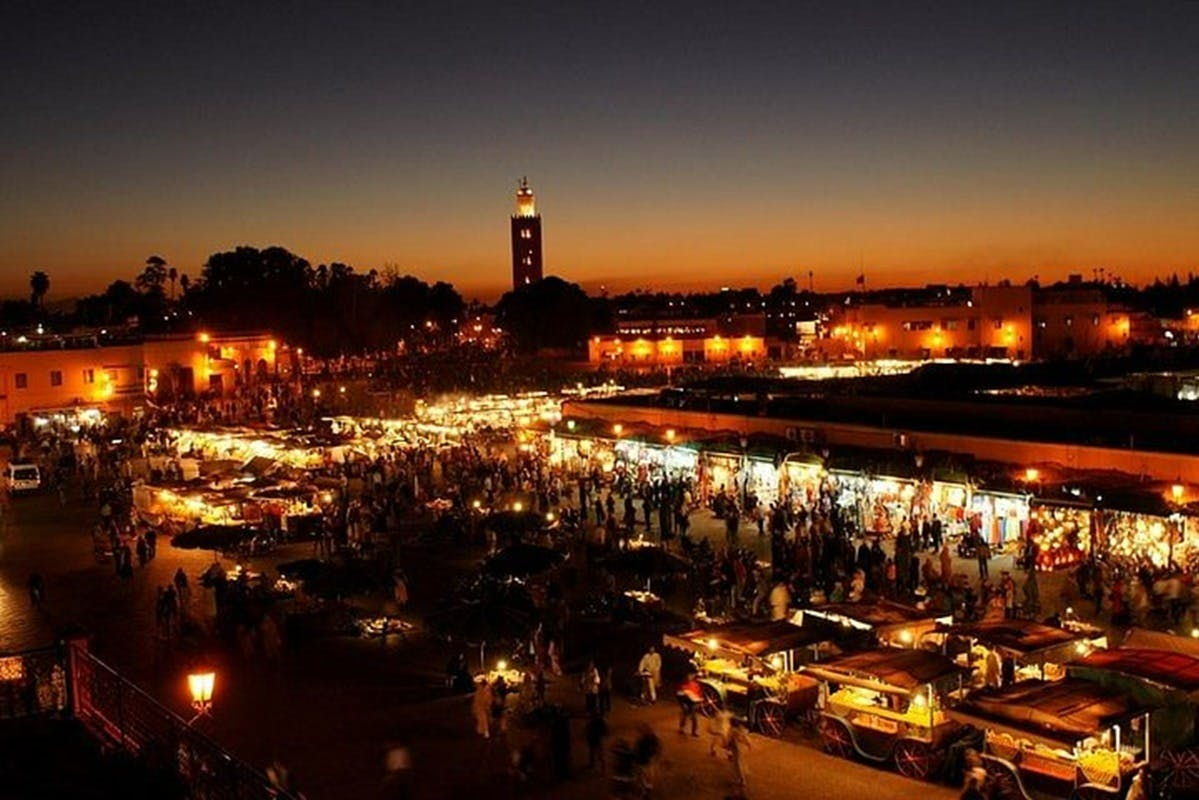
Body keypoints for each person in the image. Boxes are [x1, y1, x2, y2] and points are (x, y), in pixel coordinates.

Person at [726, 718, 752, 798]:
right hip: (739, 748)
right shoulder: (740, 730)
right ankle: (739, 779)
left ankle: (741, 780)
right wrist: (748, 744)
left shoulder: (733, 730)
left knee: (737, 765)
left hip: (736, 749)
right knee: (738, 764)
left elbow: (729, 739)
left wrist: (727, 746)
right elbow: (745, 738)